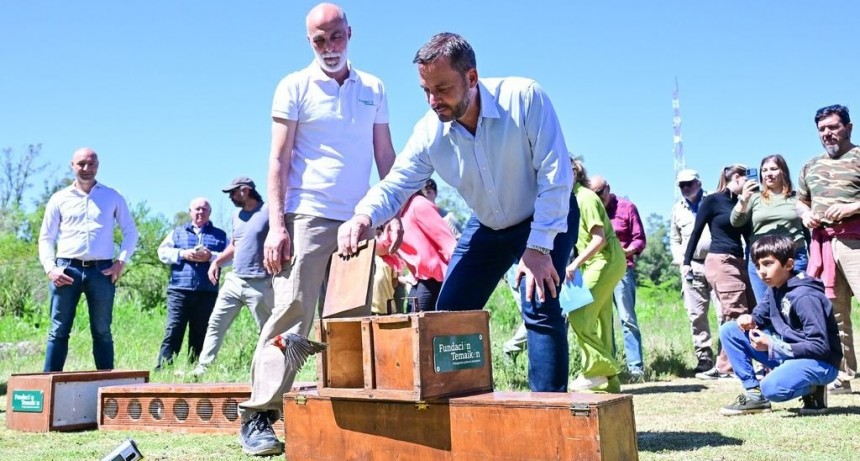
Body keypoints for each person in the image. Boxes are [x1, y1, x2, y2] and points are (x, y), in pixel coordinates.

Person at [339, 32, 578, 393]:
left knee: (539, 303)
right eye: (426, 91)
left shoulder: (525, 98)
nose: (434, 101)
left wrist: (540, 247)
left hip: (544, 218)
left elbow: (555, 176)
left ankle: (550, 414)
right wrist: (364, 217)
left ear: (471, 78)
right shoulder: (428, 133)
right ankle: (459, 408)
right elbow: (396, 184)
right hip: (487, 226)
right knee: (447, 318)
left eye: (442, 88)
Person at [237, 3, 399, 456]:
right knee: (293, 313)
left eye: (336, 37)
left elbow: (385, 155)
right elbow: (278, 159)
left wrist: (393, 213)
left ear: (351, 33)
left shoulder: (374, 88)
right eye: (319, 40)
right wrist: (276, 225)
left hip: (360, 218)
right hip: (306, 215)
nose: (329, 47)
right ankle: (258, 416)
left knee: (349, 316)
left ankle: (342, 414)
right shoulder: (293, 85)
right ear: (309, 42)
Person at [38, 147, 139, 372]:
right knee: (58, 330)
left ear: (98, 166)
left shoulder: (112, 196)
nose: (86, 168)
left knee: (102, 330)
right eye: (81, 164)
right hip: (66, 269)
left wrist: (120, 262)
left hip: (102, 271)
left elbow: (131, 232)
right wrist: (50, 269)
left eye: (91, 164)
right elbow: (46, 237)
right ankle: (49, 386)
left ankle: (106, 388)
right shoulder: (59, 198)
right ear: (72, 166)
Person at [718, 235, 840, 416]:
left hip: (821, 363)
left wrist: (773, 346)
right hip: (793, 355)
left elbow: (820, 346)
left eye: (768, 264)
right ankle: (755, 395)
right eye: (758, 265)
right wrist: (749, 319)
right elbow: (760, 315)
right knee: (730, 330)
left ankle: (814, 388)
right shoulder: (775, 288)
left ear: (788, 265)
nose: (761, 271)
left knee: (771, 388)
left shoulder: (805, 297)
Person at [797, 104, 860, 395]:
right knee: (834, 314)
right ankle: (844, 377)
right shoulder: (810, 165)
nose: (827, 134)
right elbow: (801, 200)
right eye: (822, 129)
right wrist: (804, 214)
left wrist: (851, 207)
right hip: (822, 245)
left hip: (855, 241)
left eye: (833, 127)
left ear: (848, 127)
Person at [192, 177, 273, 377]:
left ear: (245, 190)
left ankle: (268, 370)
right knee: (215, 323)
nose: (230, 197)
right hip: (235, 280)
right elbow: (236, 245)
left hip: (261, 283)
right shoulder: (237, 215)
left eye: (233, 193)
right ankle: (203, 368)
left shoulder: (269, 212)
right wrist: (217, 262)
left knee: (268, 330)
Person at [683, 164, 756, 379]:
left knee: (751, 310)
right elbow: (696, 231)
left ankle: (726, 364)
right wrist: (686, 261)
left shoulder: (744, 202)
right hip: (720, 260)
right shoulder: (713, 200)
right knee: (735, 311)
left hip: (741, 260)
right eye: (746, 177)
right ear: (735, 177)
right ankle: (728, 366)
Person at [565, 162, 626, 392]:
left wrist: (574, 264)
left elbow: (598, 239)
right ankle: (610, 382)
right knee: (601, 321)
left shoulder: (585, 197)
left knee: (577, 312)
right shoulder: (573, 199)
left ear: (573, 173)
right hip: (599, 262)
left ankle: (595, 371)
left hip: (605, 260)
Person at [155, 198, 227, 370]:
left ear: (210, 213)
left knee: (201, 331)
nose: (200, 212)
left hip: (207, 291)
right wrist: (182, 254)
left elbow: (231, 257)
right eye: (197, 209)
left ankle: (196, 369)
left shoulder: (220, 235)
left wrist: (211, 257)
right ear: (190, 212)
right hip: (179, 290)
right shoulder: (177, 232)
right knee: (174, 329)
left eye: (204, 209)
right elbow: (162, 252)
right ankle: (163, 368)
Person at [590, 175, 647, 381]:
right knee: (603, 321)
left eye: (599, 193)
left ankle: (636, 369)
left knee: (627, 319)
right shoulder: (591, 208)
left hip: (623, 270)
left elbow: (639, 239)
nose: (597, 197)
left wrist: (624, 253)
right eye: (593, 194)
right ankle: (610, 368)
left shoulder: (626, 207)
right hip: (599, 272)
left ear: (608, 189)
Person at [730, 154, 808, 303]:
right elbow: (736, 222)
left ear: (783, 171)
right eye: (764, 170)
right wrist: (744, 199)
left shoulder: (796, 197)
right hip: (761, 260)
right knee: (767, 306)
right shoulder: (754, 198)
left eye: (773, 169)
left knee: (796, 302)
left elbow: (807, 227)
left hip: (793, 258)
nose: (768, 174)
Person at [670, 169, 719, 376]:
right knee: (696, 314)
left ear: (698, 183)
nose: (685, 188)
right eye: (681, 185)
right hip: (692, 265)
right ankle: (704, 356)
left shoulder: (714, 200)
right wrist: (682, 262)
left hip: (717, 260)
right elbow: (674, 238)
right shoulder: (677, 209)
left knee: (725, 312)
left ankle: (727, 357)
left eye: (689, 184)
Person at [395, 190, 457, 311]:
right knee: (411, 322)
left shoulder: (419, 205)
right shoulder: (395, 216)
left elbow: (448, 243)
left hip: (434, 277)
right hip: (418, 279)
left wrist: (463, 279)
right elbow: (383, 246)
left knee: (422, 323)